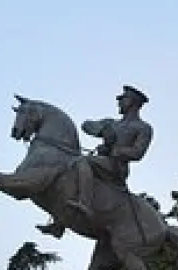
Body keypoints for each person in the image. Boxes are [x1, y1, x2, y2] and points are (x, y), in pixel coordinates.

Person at [38, 85, 153, 238]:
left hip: (116, 167)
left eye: (123, 99)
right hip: (101, 162)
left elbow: (138, 152)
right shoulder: (112, 123)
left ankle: (84, 204)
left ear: (133, 102)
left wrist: (114, 150)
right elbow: (86, 125)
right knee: (70, 170)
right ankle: (59, 222)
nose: (119, 102)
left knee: (81, 162)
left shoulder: (143, 128)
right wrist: (101, 130)